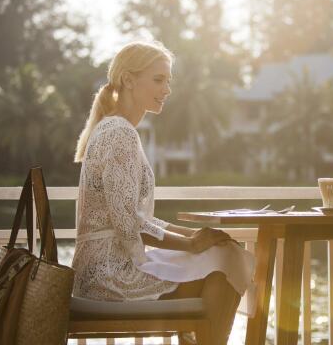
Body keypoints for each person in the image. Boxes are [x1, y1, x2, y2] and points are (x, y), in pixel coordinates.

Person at [72, 40, 254, 345]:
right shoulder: (119, 133)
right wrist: (191, 243)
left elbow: (136, 218)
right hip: (106, 276)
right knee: (222, 270)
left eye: (168, 81)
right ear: (128, 80)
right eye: (158, 80)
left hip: (107, 266)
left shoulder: (116, 129)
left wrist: (193, 237)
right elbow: (128, 223)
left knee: (222, 254)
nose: (166, 89)